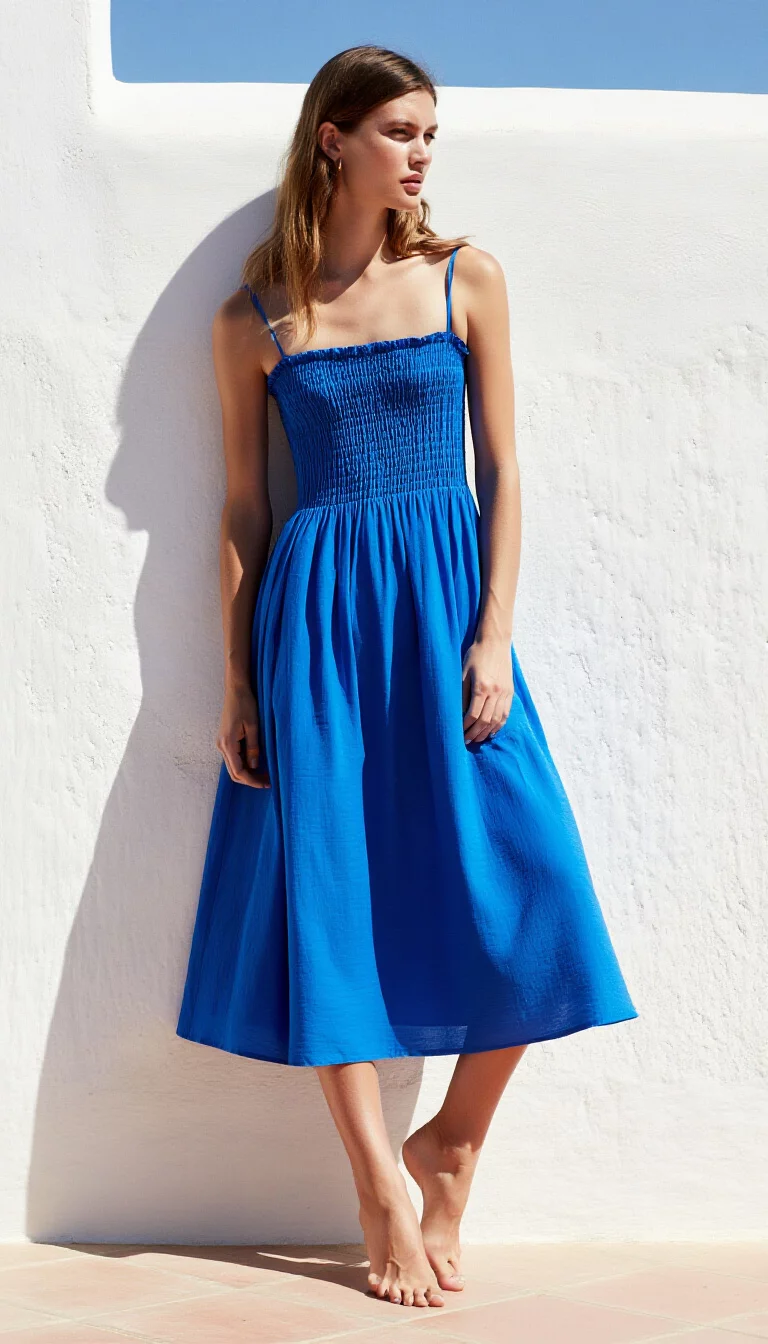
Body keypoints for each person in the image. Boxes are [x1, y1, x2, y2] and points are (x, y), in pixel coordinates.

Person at [176, 44, 639, 1311]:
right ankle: (380, 1182)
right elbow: (239, 505)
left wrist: (494, 635)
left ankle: (455, 1140)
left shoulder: (465, 278)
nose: (423, 151)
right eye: (400, 129)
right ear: (333, 139)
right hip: (315, 625)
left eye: (431, 131)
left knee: (532, 870)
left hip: (444, 613)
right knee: (329, 891)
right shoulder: (256, 315)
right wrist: (238, 679)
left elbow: (502, 469)